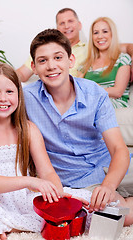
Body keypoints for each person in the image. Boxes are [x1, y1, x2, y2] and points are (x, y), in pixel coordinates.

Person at [23, 28, 133, 226]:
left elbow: (119, 149)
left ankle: (119, 195)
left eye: (58, 57)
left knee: (116, 190)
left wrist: (108, 185)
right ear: (34, 67)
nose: (51, 66)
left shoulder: (94, 93)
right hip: (75, 179)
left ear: (70, 61)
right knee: (116, 217)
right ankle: (122, 201)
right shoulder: (25, 98)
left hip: (107, 164)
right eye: (42, 60)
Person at [0, 63, 92, 240]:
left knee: (87, 202)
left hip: (25, 199)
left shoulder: (28, 129)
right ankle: (2, 224)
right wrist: (31, 181)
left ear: (19, 95)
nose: (3, 98)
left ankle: (3, 225)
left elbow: (47, 172)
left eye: (10, 92)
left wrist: (58, 196)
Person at [17, 8, 133, 82]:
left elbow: (127, 47)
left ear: (79, 25)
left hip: (72, 91)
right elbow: (22, 73)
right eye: (62, 23)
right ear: (57, 28)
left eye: (70, 21)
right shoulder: (45, 51)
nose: (66, 26)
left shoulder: (93, 48)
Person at [78, 17, 131, 109]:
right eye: (96, 33)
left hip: (113, 103)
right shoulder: (85, 64)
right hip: (89, 101)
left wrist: (96, 89)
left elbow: (118, 92)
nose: (100, 36)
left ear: (112, 34)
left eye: (105, 31)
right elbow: (77, 88)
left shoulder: (122, 59)